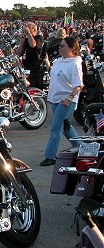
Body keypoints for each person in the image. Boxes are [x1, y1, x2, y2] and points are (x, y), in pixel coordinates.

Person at [40, 37, 84, 166]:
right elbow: (53, 72)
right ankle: (83, 149)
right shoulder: (59, 61)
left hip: (65, 100)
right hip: (55, 99)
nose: (60, 48)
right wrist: (47, 61)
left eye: (63, 46)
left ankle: (50, 156)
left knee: (56, 128)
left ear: (71, 48)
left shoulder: (75, 64)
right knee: (66, 128)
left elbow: (78, 85)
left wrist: (69, 98)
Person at [16, 22, 44, 89]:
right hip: (26, 68)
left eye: (28, 28)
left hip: (35, 68)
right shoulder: (26, 40)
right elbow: (19, 53)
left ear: (34, 30)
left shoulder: (39, 38)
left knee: (34, 88)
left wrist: (28, 33)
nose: (25, 30)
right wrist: (22, 41)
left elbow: (33, 45)